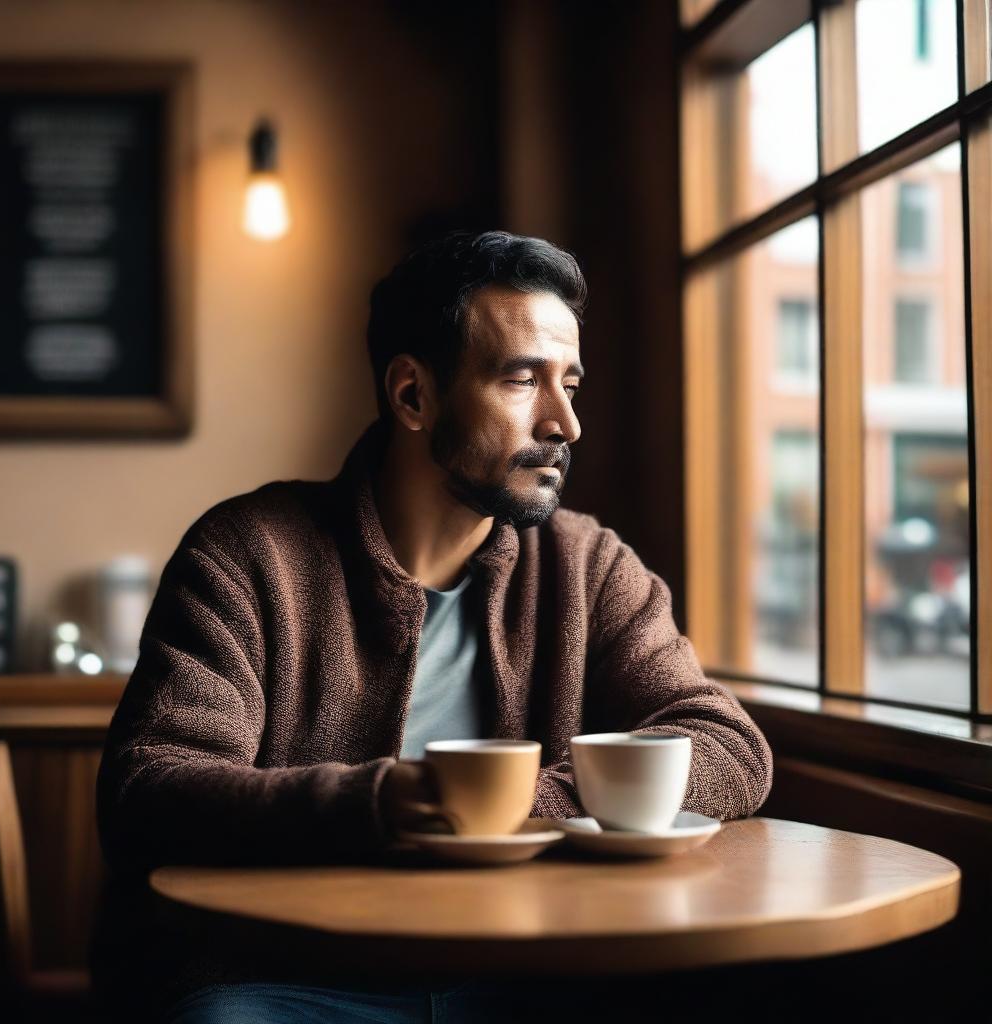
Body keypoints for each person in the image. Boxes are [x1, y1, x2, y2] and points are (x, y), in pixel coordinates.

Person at [92, 229, 773, 1023]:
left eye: (571, 385)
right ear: (413, 395)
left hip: (529, 970)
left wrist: (511, 808)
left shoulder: (589, 566)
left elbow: (728, 746)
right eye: (523, 380)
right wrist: (385, 805)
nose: (565, 424)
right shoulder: (249, 553)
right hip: (288, 977)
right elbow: (151, 790)